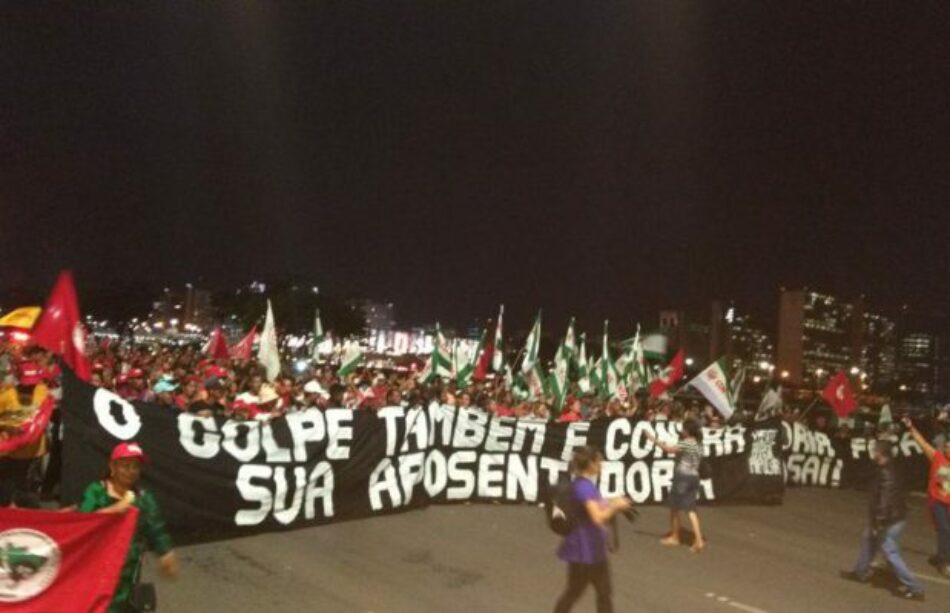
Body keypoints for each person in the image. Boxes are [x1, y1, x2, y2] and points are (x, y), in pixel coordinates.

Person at [79, 441, 179, 612]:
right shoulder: (96, 491)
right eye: (125, 466)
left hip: (127, 569)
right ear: (112, 466)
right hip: (96, 565)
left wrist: (166, 552)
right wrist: (113, 510)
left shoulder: (144, 499)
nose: (131, 471)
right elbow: (82, 524)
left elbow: (156, 529)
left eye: (135, 467)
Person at [843, 438, 924, 601]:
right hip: (893, 516)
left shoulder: (887, 472)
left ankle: (915, 587)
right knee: (868, 538)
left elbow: (885, 499)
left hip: (889, 519)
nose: (873, 452)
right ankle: (860, 572)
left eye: (875, 450)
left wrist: (878, 522)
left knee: (890, 551)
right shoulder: (887, 467)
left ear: (880, 453)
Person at [553, 446, 631, 613]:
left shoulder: (583, 485)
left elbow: (593, 506)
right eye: (599, 461)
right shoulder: (584, 487)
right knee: (576, 592)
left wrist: (611, 501)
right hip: (584, 550)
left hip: (592, 549)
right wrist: (616, 507)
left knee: (603, 592)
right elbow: (597, 517)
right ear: (591, 464)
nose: (601, 465)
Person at [647, 417, 706, 553]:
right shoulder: (699, 444)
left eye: (683, 429)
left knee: (674, 507)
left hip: (682, 477)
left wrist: (653, 439)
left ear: (687, 430)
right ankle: (698, 539)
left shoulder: (686, 442)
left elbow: (669, 450)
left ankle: (675, 537)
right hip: (694, 476)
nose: (682, 431)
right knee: (691, 509)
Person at [903, 415, 950, 577]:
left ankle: (939, 556)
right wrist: (911, 427)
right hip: (937, 501)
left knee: (946, 531)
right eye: (947, 446)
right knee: (944, 529)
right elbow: (922, 443)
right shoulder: (937, 457)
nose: (949, 448)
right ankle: (944, 561)